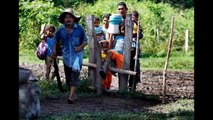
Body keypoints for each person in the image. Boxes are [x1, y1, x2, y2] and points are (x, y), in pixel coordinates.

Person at [52, 8, 88, 104]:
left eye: (70, 17)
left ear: (73, 19)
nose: (68, 19)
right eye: (66, 17)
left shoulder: (79, 28)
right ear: (63, 19)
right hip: (67, 57)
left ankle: (71, 96)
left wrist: (80, 47)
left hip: (77, 57)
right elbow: (55, 39)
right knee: (68, 79)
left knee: (75, 77)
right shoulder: (61, 29)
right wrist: (54, 50)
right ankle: (73, 94)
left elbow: (85, 40)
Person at [128, 10, 143, 91]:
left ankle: (132, 86)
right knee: (129, 66)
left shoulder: (138, 25)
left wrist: (138, 32)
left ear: (137, 18)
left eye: (134, 17)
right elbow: (127, 33)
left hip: (135, 48)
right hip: (128, 48)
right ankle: (127, 85)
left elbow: (140, 35)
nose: (133, 19)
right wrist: (135, 34)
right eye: (132, 17)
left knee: (135, 67)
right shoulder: (128, 24)